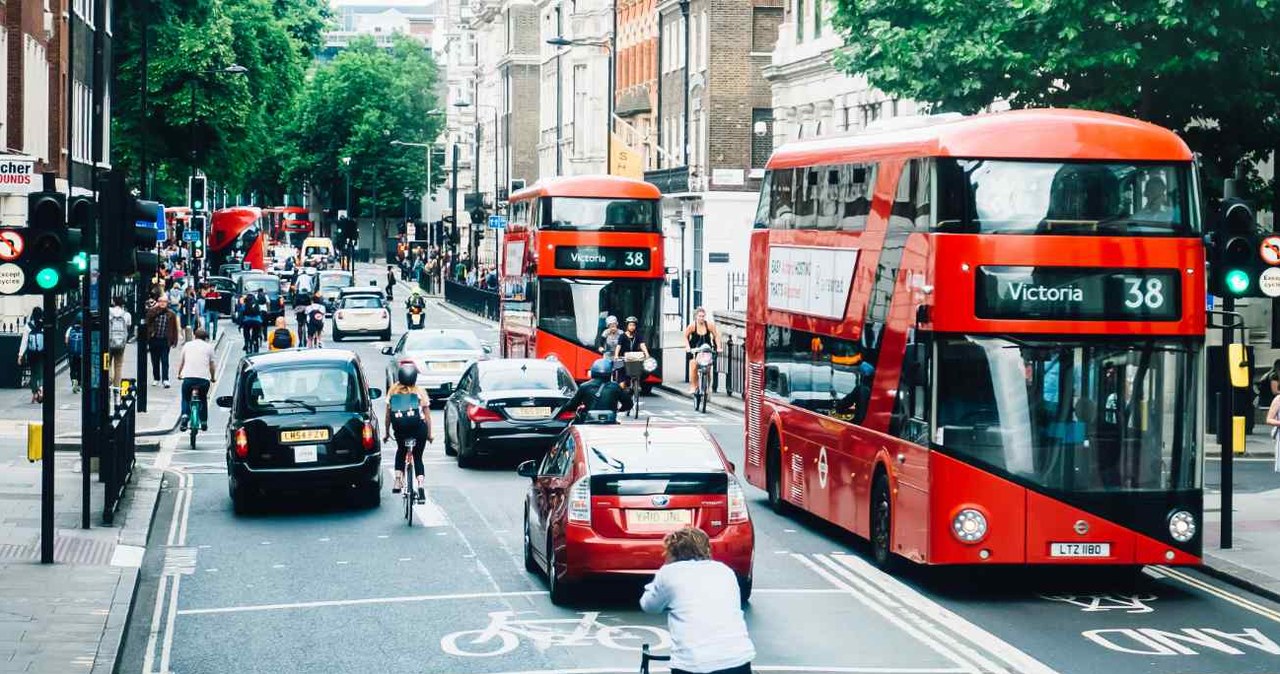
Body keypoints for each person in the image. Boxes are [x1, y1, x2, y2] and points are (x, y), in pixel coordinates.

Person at [640, 526, 755, 674]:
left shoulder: (669, 573)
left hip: (693, 664)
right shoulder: (725, 571)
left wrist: (658, 579)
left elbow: (649, 606)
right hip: (738, 659)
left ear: (672, 552)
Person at [383, 364, 433, 501]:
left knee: (401, 451)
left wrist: (387, 433)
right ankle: (421, 486)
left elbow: (388, 416)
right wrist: (429, 435)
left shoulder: (393, 392)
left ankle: (398, 480)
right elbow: (427, 416)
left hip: (401, 430)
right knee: (418, 457)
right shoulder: (420, 392)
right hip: (419, 430)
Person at [177, 328, 217, 432]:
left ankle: (185, 415)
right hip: (203, 380)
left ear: (195, 336)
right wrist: (212, 377)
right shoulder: (209, 347)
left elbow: (182, 362)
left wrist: (179, 374)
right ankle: (203, 422)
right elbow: (212, 365)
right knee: (203, 399)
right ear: (206, 338)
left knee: (186, 397)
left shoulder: (187, 345)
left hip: (188, 378)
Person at [565, 358, 633, 416]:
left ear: (593, 372)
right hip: (610, 422)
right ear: (610, 373)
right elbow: (628, 404)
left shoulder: (584, 386)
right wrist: (619, 410)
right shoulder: (615, 387)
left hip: (588, 421)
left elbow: (571, 405)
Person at [683, 307, 721, 395]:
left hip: (706, 350)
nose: (702, 318)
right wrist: (687, 347)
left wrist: (718, 347)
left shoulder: (709, 325)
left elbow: (716, 336)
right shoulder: (692, 326)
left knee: (707, 368)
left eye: (703, 316)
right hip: (695, 350)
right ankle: (694, 386)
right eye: (700, 316)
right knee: (694, 365)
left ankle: (707, 387)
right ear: (696, 317)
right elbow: (685, 336)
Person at [145, 295, 179, 388]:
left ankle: (165, 379)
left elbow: (175, 328)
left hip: (165, 340)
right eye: (161, 301)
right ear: (158, 302)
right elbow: (147, 324)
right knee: (154, 360)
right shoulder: (152, 312)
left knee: (165, 360)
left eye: (165, 301)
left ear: (167, 303)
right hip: (154, 339)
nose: (163, 303)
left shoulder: (171, 314)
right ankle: (156, 378)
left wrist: (175, 341)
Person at [17, 307, 45, 403]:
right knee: (41, 371)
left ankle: (35, 392)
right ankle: (41, 388)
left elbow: (24, 342)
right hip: (41, 353)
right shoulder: (44, 325)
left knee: (33, 373)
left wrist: (20, 355)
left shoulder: (28, 326)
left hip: (31, 354)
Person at [108, 296, 133, 388]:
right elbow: (128, 326)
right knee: (118, 365)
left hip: (109, 341)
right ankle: (116, 385)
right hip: (121, 343)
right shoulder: (126, 314)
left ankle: (109, 378)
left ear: (113, 302)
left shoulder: (108, 312)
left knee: (107, 362)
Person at [65, 313, 84, 394]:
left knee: (72, 368)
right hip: (80, 352)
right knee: (80, 367)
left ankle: (73, 381)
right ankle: (79, 383)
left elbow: (66, 340)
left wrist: (69, 347)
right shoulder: (83, 329)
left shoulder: (70, 329)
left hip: (72, 352)